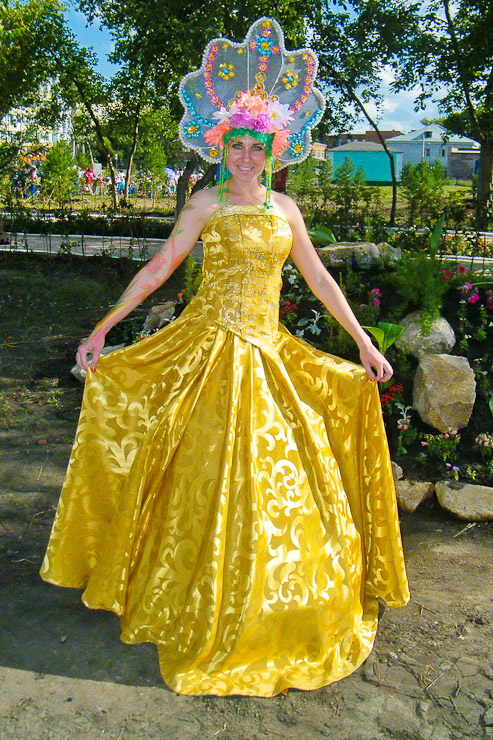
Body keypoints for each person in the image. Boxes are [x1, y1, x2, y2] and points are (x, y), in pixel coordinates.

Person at [41, 17, 409, 697]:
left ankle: (271, 599)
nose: (245, 155)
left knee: (285, 472)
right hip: (207, 351)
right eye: (236, 144)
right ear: (221, 146)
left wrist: (361, 340)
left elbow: (319, 280)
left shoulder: (287, 209)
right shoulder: (205, 203)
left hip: (269, 352)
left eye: (256, 146)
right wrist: (103, 328)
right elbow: (160, 268)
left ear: (273, 149)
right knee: (198, 475)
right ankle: (187, 590)